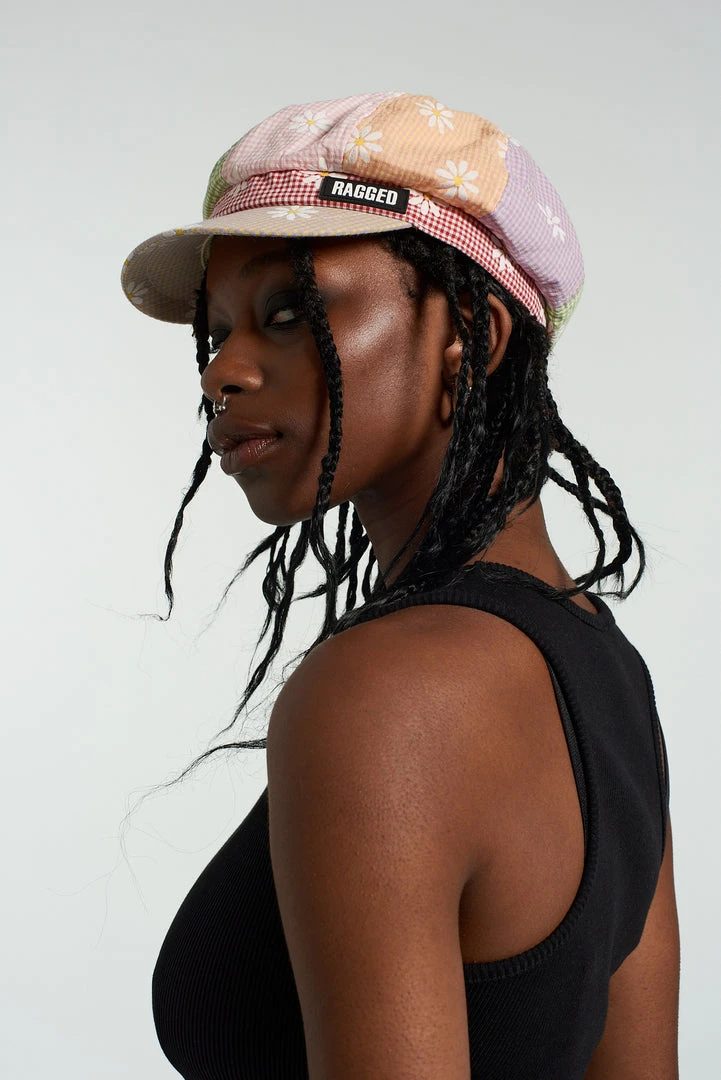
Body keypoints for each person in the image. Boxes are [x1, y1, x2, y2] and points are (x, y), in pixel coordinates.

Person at [121, 92, 680, 1079]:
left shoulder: (382, 692)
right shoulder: (603, 667)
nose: (222, 374)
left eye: (291, 313)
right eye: (217, 332)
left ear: (476, 334)